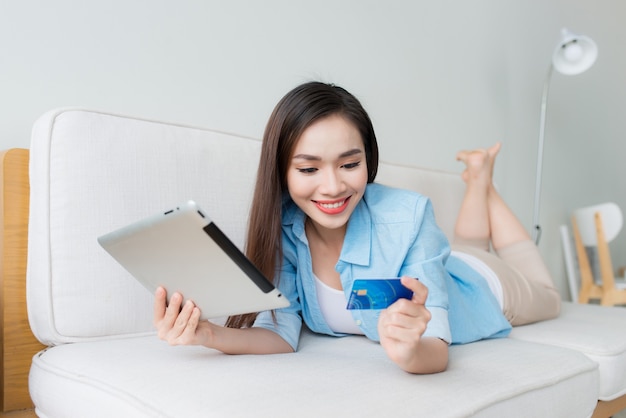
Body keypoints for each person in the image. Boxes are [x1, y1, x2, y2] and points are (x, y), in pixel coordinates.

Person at [153, 81, 561, 374]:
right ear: (281, 172)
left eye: (350, 164)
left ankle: (484, 183)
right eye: (309, 168)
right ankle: (477, 177)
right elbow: (280, 333)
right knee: (466, 245)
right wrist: (206, 334)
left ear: (369, 158)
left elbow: (435, 347)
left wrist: (409, 353)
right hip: (444, 257)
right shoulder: (284, 225)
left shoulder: (411, 213)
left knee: (545, 292)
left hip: (487, 287)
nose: (333, 187)